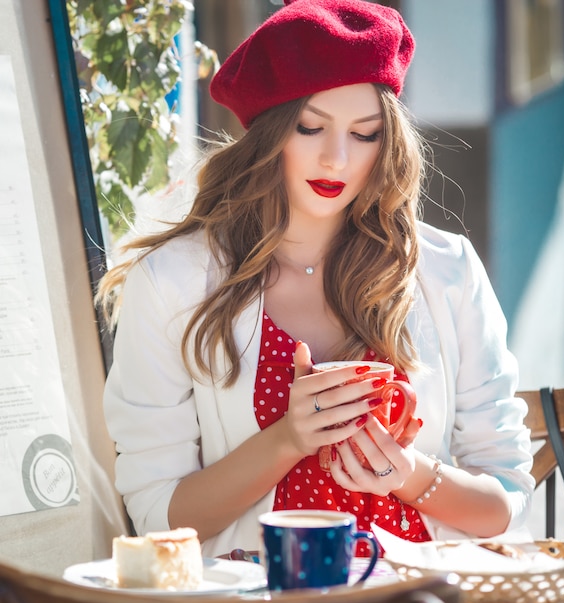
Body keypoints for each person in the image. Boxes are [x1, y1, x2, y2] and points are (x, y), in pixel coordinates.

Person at [99, 0, 534, 557]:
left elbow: (508, 499)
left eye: (365, 133)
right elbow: (158, 516)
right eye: (310, 127)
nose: (336, 159)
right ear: (267, 134)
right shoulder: (173, 281)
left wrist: (407, 474)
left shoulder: (447, 270)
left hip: (421, 602)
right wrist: (287, 439)